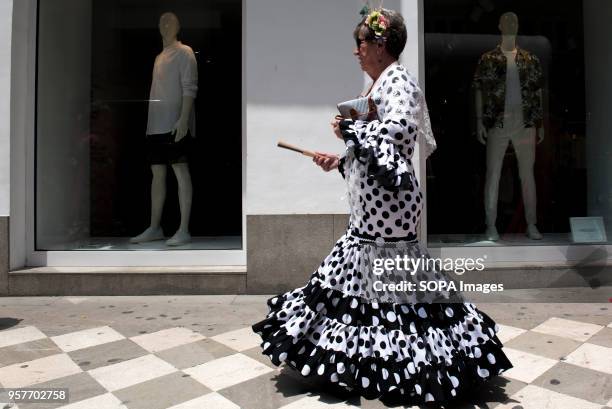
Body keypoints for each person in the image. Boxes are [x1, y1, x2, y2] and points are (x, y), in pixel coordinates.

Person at [252, 8, 512, 406]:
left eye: (360, 43)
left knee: (393, 288)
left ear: (380, 45)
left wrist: (349, 129)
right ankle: (365, 361)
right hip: (372, 211)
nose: (355, 52)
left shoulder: (400, 84)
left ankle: (415, 365)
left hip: (389, 212)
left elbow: (397, 136)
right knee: (361, 284)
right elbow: (374, 153)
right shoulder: (377, 86)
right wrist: (338, 159)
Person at [130, 12, 198, 246]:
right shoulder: (160, 56)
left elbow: (190, 87)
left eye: (170, 21)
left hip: (175, 124)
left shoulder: (184, 52)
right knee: (157, 174)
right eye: (161, 22)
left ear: (179, 26)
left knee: (180, 171)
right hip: (156, 125)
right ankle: (154, 226)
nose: (165, 25)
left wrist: (183, 119)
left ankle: (184, 228)